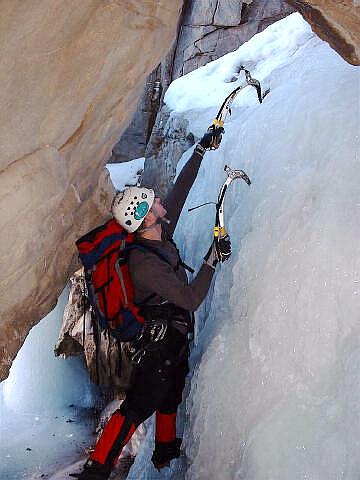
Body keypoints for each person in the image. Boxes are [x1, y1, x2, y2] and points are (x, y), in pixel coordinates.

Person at [73, 127, 230, 479]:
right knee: (140, 404)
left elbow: (182, 190)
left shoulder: (159, 231)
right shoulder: (144, 264)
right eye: (154, 201)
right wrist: (211, 259)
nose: (161, 200)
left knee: (171, 392)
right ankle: (96, 470)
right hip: (157, 346)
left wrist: (202, 149)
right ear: (145, 218)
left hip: (171, 342)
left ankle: (164, 453)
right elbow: (190, 298)